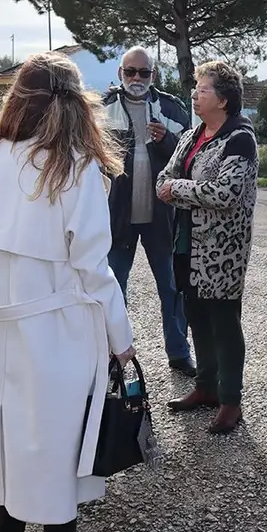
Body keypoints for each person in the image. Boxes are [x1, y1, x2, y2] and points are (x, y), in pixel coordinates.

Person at [0, 51, 136, 532]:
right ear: (76, 105)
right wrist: (120, 338)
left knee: (10, 436)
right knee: (56, 438)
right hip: (55, 328)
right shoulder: (74, 167)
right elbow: (94, 266)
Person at [157, 60, 259, 434]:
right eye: (195, 90)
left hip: (222, 252)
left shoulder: (240, 138)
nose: (195, 96)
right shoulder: (192, 133)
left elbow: (226, 194)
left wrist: (178, 191)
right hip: (186, 244)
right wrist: (176, 188)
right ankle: (205, 387)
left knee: (224, 324)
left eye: (202, 90)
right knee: (196, 316)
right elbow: (162, 178)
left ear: (225, 99)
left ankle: (231, 400)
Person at [103, 46, 195, 377]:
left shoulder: (171, 108)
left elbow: (189, 158)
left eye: (144, 72)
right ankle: (115, 357)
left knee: (171, 288)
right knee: (114, 290)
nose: (137, 78)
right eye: (131, 72)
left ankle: (179, 353)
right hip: (117, 220)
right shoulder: (102, 109)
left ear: (153, 75)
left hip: (161, 218)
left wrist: (167, 141)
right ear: (120, 74)